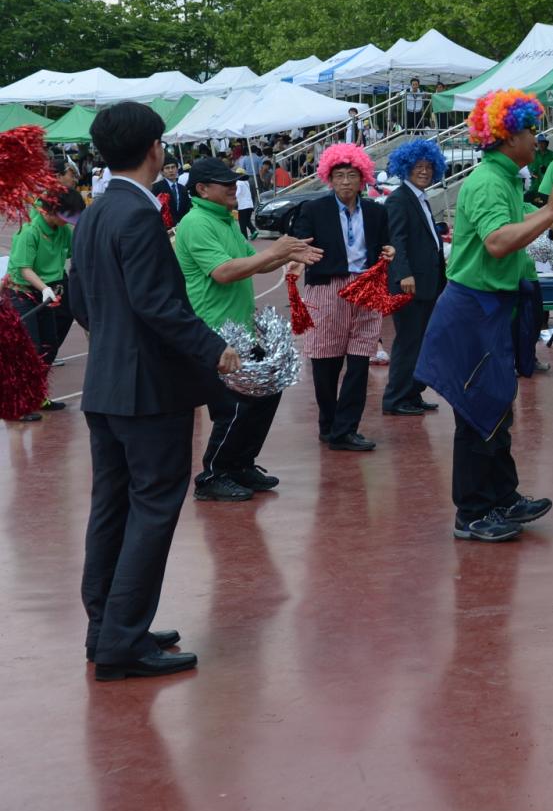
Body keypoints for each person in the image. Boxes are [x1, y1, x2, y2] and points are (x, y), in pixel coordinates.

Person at [69, 101, 239, 681]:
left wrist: (114, 346)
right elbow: (157, 304)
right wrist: (214, 348)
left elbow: (81, 300)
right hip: (148, 391)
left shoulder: (95, 211)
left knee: (112, 509)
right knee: (152, 508)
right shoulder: (138, 214)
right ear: (154, 149)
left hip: (105, 384)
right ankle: (122, 641)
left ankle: (108, 629)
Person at [417, 90, 553, 542]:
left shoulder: (506, 178)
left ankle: (502, 495)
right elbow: (497, 242)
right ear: (509, 136)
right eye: (531, 130)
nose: (536, 138)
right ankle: (472, 512)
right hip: (473, 308)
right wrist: (551, 210)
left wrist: (548, 215)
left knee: (496, 403)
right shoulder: (490, 181)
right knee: (477, 409)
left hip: (489, 308)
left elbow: (515, 225)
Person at [174, 157, 322, 501]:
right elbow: (224, 272)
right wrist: (275, 252)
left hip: (241, 329)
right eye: (225, 183)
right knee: (234, 407)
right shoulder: (196, 223)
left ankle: (240, 463)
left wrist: (289, 254)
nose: (233, 188)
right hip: (216, 332)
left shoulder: (223, 220)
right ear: (202, 189)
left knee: (268, 389)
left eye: (234, 182)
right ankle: (213, 475)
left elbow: (254, 264)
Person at [289, 142, 393, 451]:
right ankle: (329, 424)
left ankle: (346, 429)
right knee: (325, 361)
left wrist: (389, 251)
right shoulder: (313, 210)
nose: (346, 182)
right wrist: (300, 256)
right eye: (339, 176)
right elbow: (300, 242)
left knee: (360, 361)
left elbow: (385, 244)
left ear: (363, 179)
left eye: (351, 175)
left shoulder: (376, 212)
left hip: (366, 287)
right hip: (327, 287)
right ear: (329, 179)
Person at [4, 186, 84, 420]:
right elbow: (24, 268)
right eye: (65, 216)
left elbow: (76, 250)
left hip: (46, 292)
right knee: (29, 349)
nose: (68, 221)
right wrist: (44, 288)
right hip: (22, 293)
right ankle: (17, 405)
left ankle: (37, 395)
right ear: (51, 211)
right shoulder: (29, 230)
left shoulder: (62, 230)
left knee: (49, 345)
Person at [382, 138, 447, 416]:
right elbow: (395, 239)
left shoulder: (420, 198)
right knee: (408, 342)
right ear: (405, 167)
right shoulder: (399, 199)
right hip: (410, 284)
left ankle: (412, 393)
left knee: (421, 342)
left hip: (427, 283)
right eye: (418, 166)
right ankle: (395, 398)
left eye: (429, 166)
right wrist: (403, 273)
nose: (424, 171)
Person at [154, 158, 190, 223]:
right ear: (162, 172)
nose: (171, 170)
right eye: (167, 168)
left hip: (182, 224)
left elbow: (187, 208)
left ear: (177, 169)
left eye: (173, 167)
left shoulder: (183, 189)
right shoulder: (156, 188)